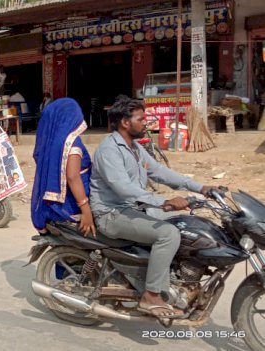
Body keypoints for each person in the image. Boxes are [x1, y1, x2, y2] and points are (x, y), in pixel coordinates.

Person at [90, 96, 218, 319]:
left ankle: (173, 282)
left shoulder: (135, 149)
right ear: (125, 122)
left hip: (132, 209)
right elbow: (123, 188)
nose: (146, 123)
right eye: (141, 119)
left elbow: (160, 172)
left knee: (183, 227)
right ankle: (150, 296)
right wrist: (164, 201)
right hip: (112, 213)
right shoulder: (109, 150)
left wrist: (202, 187)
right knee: (168, 235)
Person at [31, 98, 95, 237]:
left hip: (51, 206)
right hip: (71, 207)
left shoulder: (50, 144)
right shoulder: (72, 144)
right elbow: (72, 177)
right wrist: (86, 210)